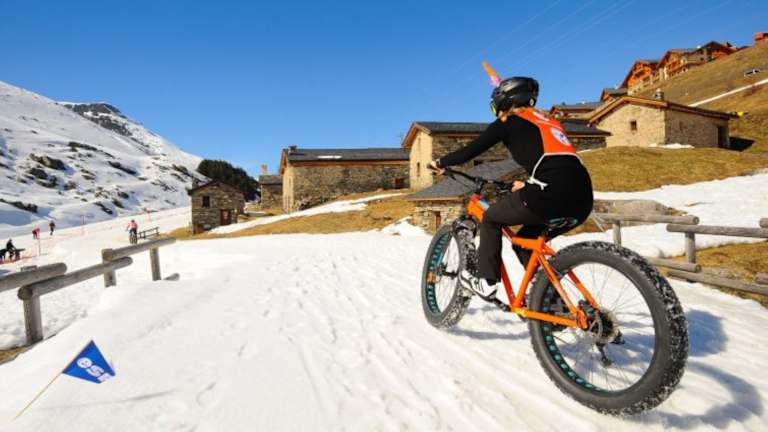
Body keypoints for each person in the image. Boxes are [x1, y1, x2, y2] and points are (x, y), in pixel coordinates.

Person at [429, 75, 593, 299]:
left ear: (504, 101)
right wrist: (528, 184)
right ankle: (549, 303)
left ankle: (486, 282)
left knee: (491, 219)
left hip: (550, 194)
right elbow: (556, 163)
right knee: (525, 243)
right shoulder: (549, 123)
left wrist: (440, 163)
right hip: (582, 199)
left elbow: (470, 151)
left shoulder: (509, 122)